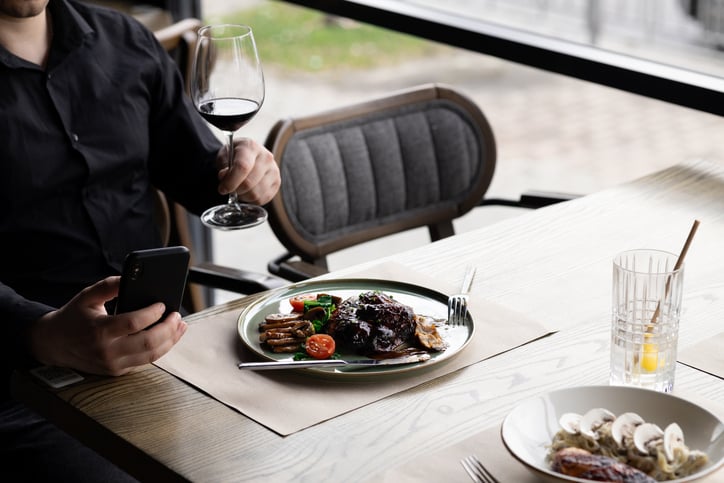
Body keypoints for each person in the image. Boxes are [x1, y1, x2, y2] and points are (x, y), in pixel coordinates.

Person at [0, 0, 280, 479]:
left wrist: (244, 171)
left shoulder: (126, 42)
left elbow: (198, 173)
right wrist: (39, 334)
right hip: (19, 387)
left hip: (166, 353)